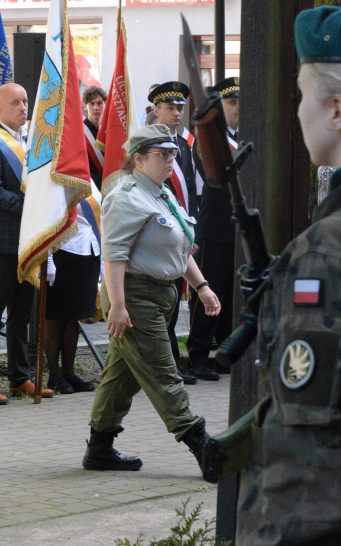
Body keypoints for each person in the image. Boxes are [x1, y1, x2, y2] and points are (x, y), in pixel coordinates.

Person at [235, 5, 341, 542]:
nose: (298, 111)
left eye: (303, 95)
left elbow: (310, 488)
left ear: (337, 109)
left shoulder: (336, 251)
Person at [83, 124, 220, 472]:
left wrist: (202, 287)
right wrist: (117, 306)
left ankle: (99, 448)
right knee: (164, 373)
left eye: (172, 153)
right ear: (139, 158)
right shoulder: (127, 195)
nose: (170, 160)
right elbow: (114, 256)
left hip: (161, 293)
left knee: (120, 377)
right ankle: (202, 446)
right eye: (162, 155)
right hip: (135, 294)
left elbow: (179, 247)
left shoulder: (160, 192)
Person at [0, 82, 53, 404]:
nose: (23, 107)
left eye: (25, 101)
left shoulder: (31, 142)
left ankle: (20, 377)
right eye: (15, 102)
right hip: (3, 242)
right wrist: (32, 206)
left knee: (23, 313)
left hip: (28, 241)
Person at [186, 77, 240, 381]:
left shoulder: (239, 137)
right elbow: (216, 177)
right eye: (232, 103)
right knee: (207, 292)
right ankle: (197, 355)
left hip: (234, 230)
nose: (238, 108)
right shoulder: (208, 139)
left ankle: (223, 353)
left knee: (230, 295)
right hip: (214, 229)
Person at [149, 81, 201, 385]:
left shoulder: (184, 143)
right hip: (161, 232)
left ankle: (170, 364)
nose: (177, 113)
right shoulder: (149, 142)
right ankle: (165, 367)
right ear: (157, 110)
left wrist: (192, 231)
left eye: (180, 108)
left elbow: (191, 191)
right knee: (162, 300)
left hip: (182, 230)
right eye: (170, 108)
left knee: (173, 302)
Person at [43, 192, 100, 394]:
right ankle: (54, 375)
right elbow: (46, 217)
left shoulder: (88, 179)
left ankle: (69, 372)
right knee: (55, 316)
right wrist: (47, 257)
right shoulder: (57, 177)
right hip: (63, 250)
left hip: (88, 250)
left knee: (74, 316)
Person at [83, 86, 107, 190]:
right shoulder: (80, 131)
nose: (96, 107)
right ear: (85, 106)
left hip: (109, 186)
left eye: (99, 103)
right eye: (92, 104)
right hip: (90, 187)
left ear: (105, 104)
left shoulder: (110, 130)